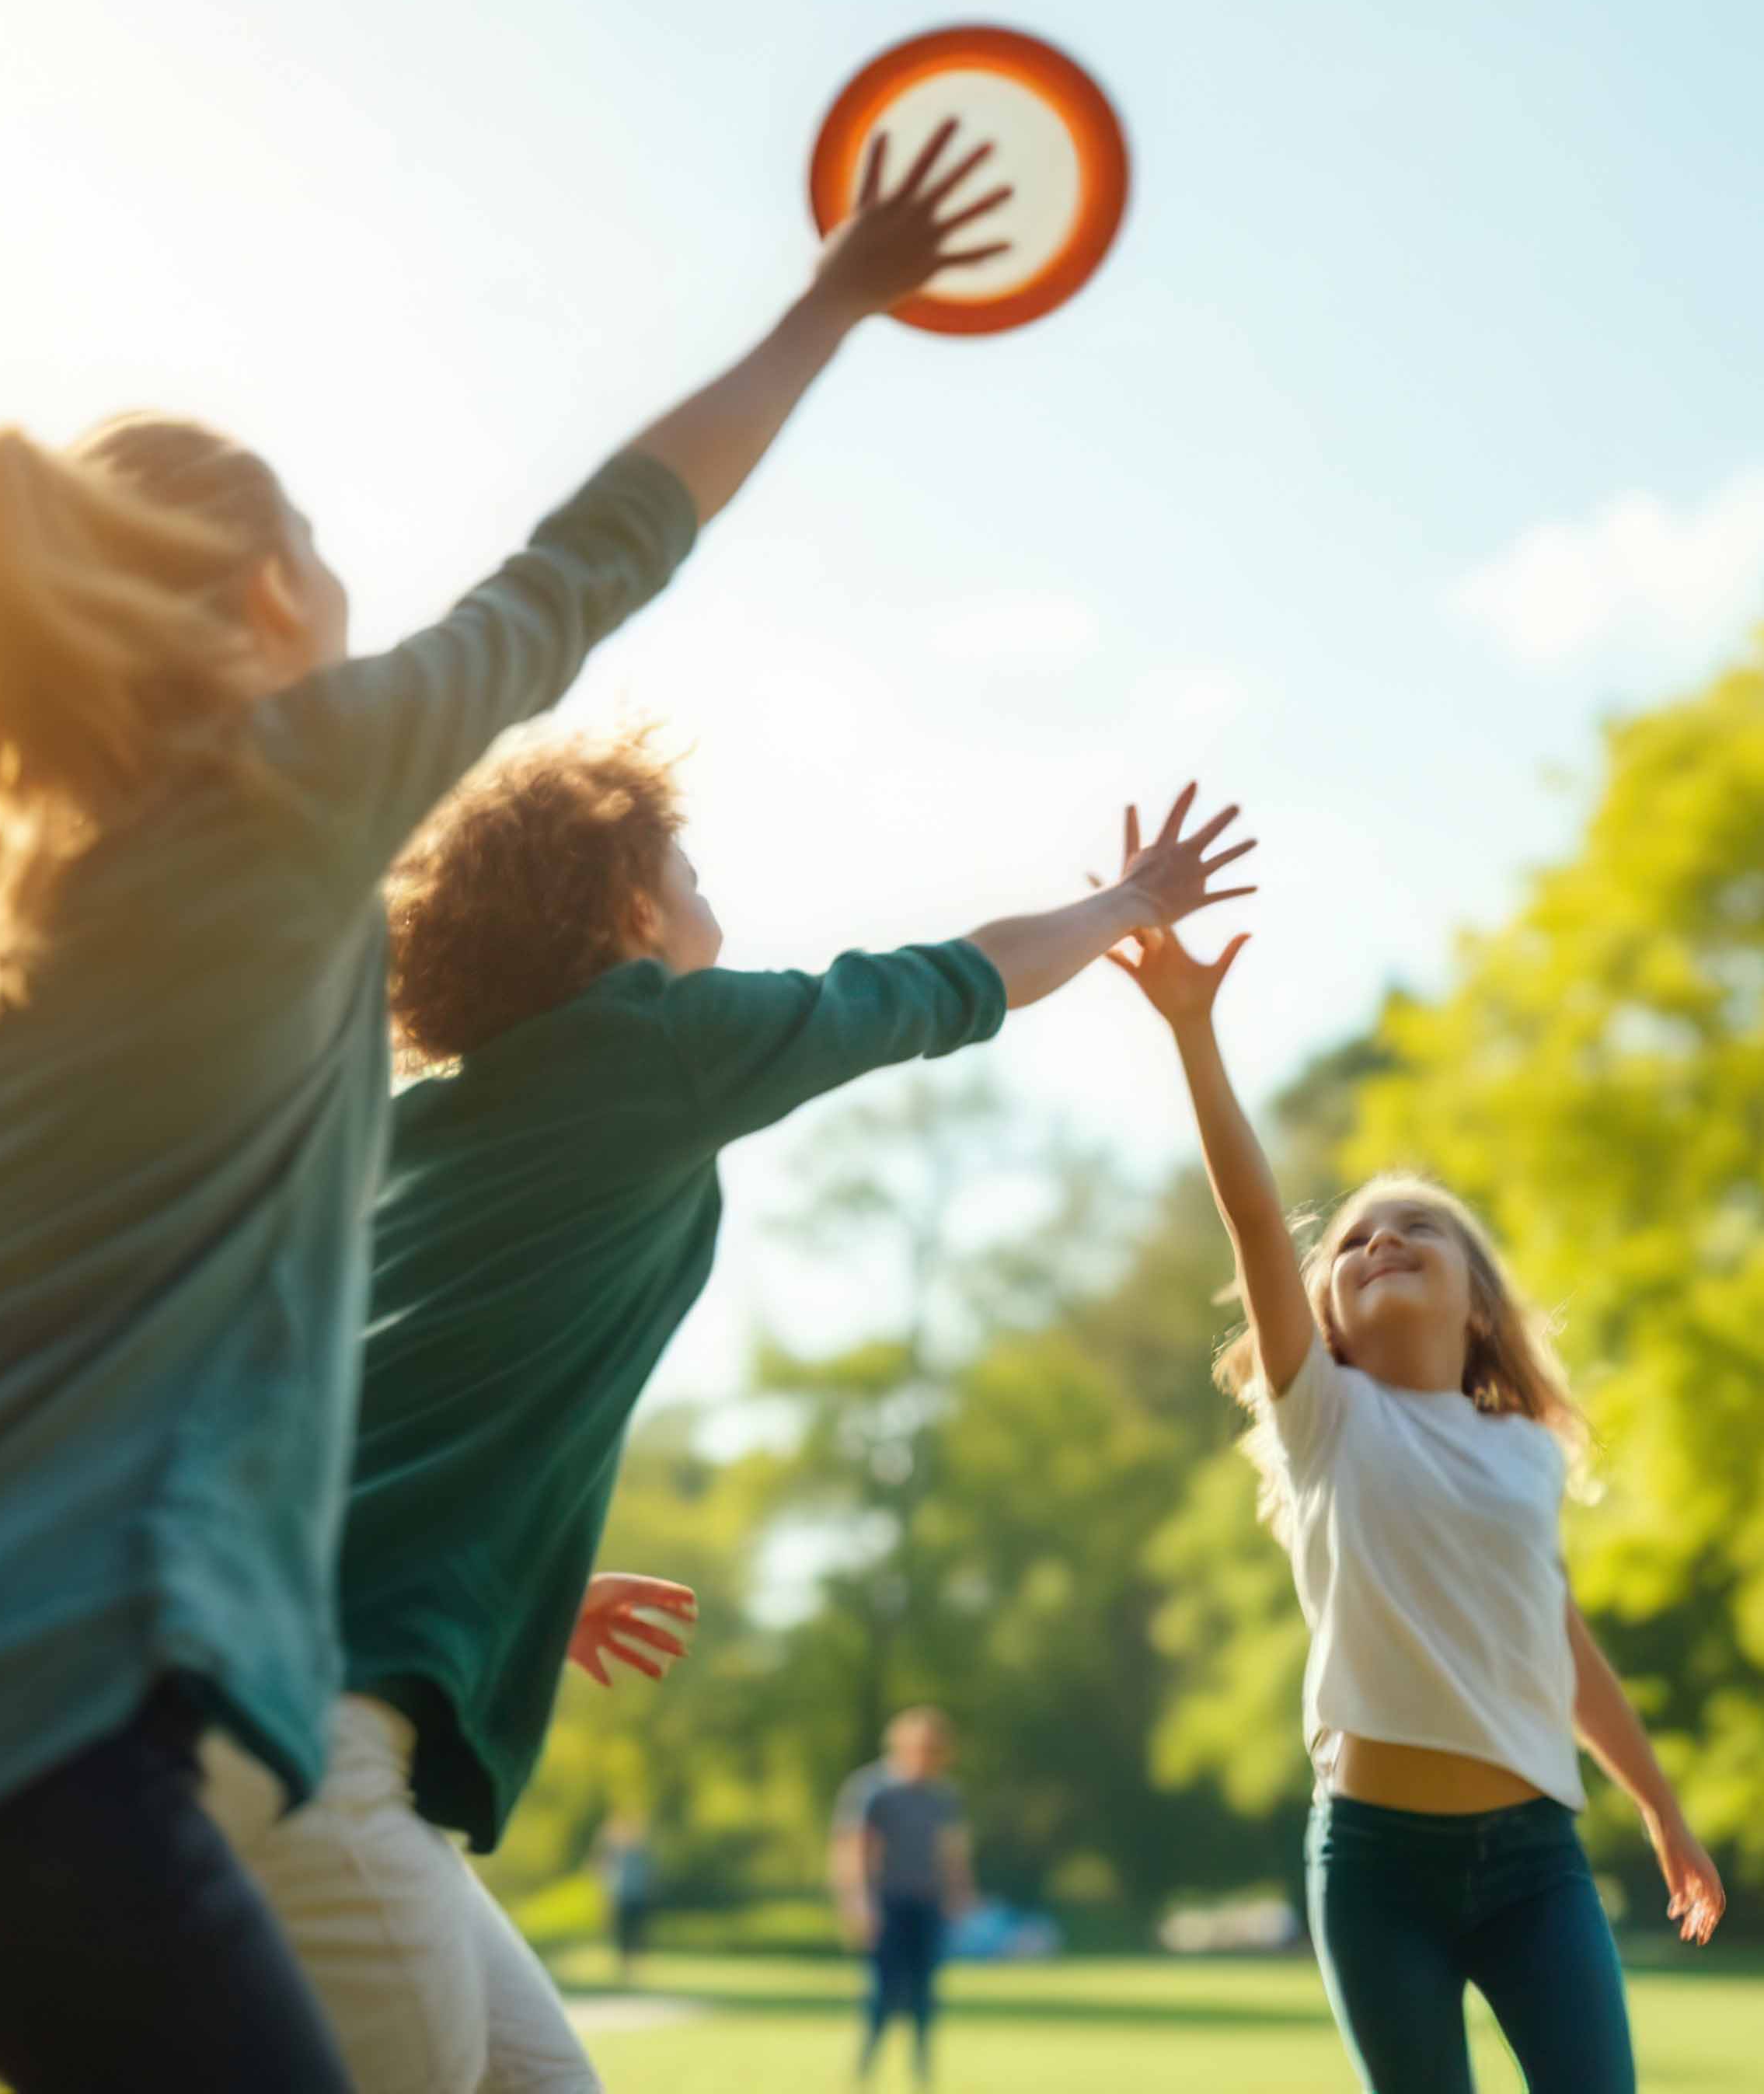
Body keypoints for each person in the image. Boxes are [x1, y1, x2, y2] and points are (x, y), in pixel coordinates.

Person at [0, 124, 1019, 2094]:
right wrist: (829, 307)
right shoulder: (287, 788)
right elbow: (597, 555)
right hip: (2, 1745)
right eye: (332, 563)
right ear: (271, 595)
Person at [194, 739, 1257, 2094]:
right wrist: (1126, 904)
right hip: (315, 1735)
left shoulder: (412, 1134)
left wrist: (507, 1586)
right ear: (628, 912)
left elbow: (345, 1411)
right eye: (686, 872)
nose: (712, 900)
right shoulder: (656, 1048)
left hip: (237, 1697)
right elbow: (946, 983)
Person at [1114, 911, 1726, 2094]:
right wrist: (1196, 1032)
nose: (1382, 1239)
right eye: (1353, 1242)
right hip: (1375, 1865)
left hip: (1536, 1864)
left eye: (1419, 1230)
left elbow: (1556, 1639)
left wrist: (1660, 1808)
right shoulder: (1325, 1420)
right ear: (1324, 1316)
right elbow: (1253, 1217)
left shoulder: (1525, 1456)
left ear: (1480, 1306)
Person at [832, 1706, 979, 2093]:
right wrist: (858, 1903)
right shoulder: (873, 1789)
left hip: (927, 1903)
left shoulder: (944, 1796)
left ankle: (922, 2074)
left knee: (925, 1995)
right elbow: (854, 1849)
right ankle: (865, 2071)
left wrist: (961, 1896)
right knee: (881, 1993)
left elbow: (952, 1853)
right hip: (887, 1904)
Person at [590, 1814, 658, 1987]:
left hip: (637, 1898)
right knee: (623, 1935)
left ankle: (636, 1969)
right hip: (623, 1898)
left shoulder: (640, 1853)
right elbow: (599, 1863)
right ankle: (624, 1969)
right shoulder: (617, 1853)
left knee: (636, 1934)